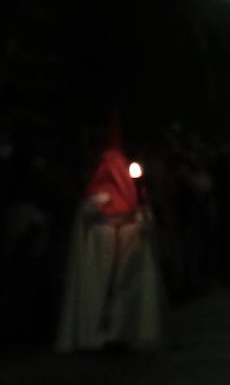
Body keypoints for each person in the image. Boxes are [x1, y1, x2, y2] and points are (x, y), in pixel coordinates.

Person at [55, 118, 164, 352]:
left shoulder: (126, 196)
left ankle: (121, 332)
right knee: (99, 290)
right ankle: (100, 333)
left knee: (124, 291)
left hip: (125, 245)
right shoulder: (94, 199)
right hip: (101, 250)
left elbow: (141, 217)